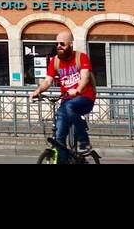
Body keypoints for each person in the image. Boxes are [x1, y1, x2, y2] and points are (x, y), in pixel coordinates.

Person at [29, 31, 96, 163]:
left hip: (85, 98)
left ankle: (84, 141)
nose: (59, 46)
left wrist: (77, 90)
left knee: (70, 106)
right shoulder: (55, 61)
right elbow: (48, 81)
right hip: (67, 101)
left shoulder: (81, 57)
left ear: (70, 44)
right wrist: (37, 91)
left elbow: (85, 77)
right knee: (58, 136)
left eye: (62, 43)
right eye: (57, 43)